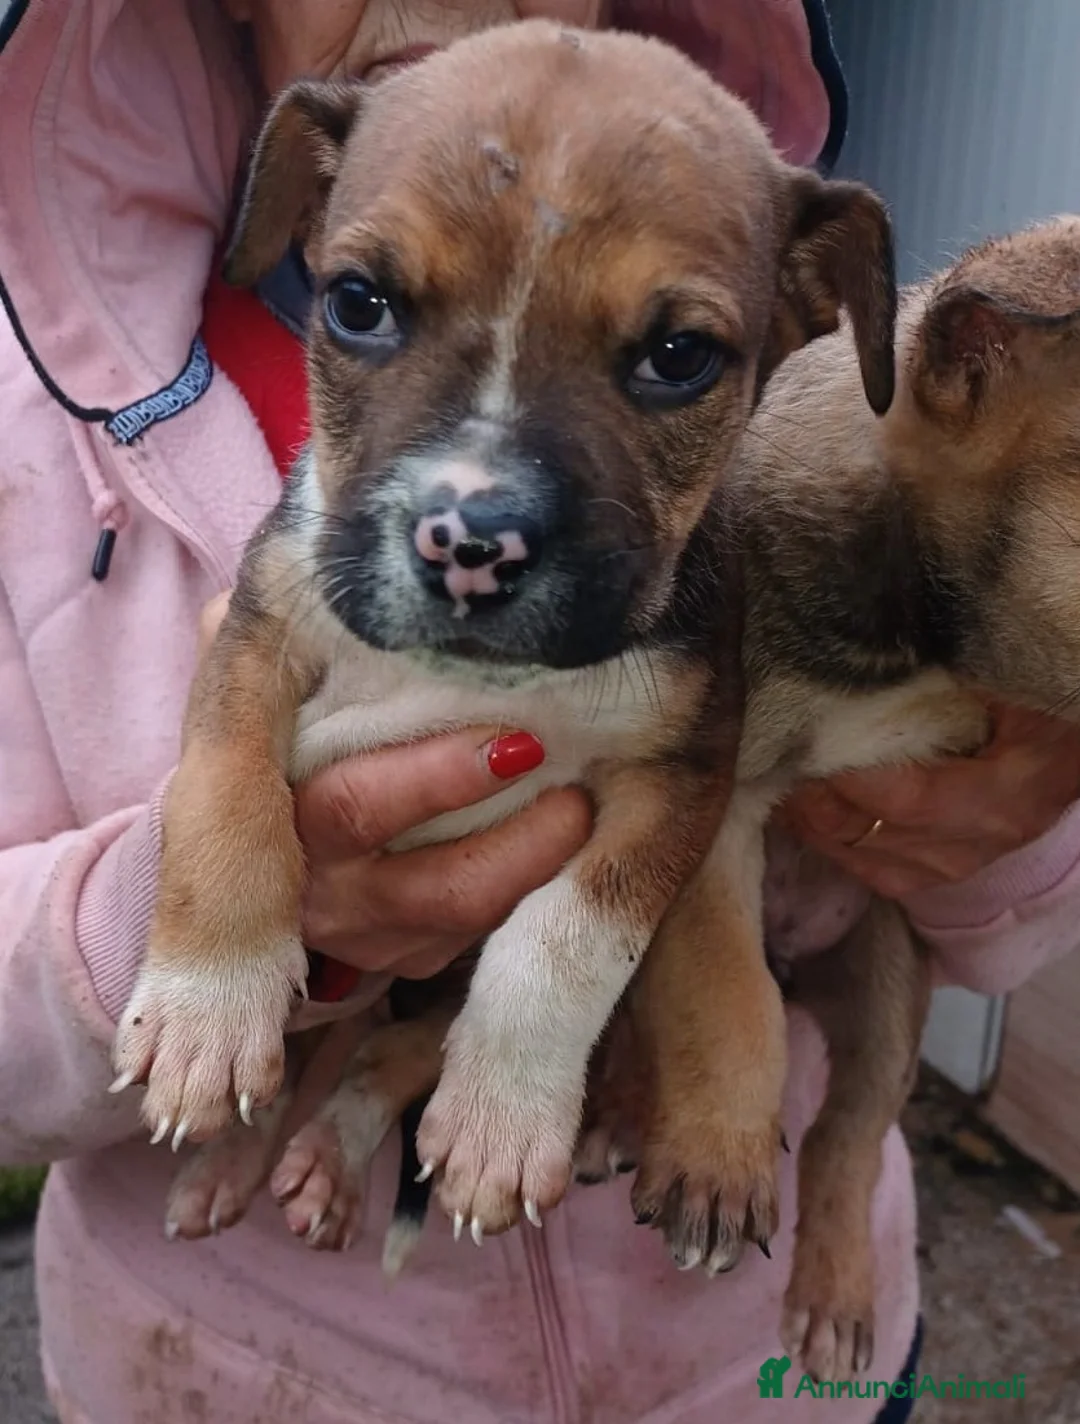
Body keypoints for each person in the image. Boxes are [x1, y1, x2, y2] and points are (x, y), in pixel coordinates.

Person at [2, 1, 1079, 1420]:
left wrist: (1010, 815)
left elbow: (955, 890)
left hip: (750, 1359)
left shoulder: (747, 230)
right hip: (237, 1378)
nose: (474, 522)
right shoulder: (26, 409)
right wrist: (186, 915)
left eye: (675, 357)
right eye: (369, 308)